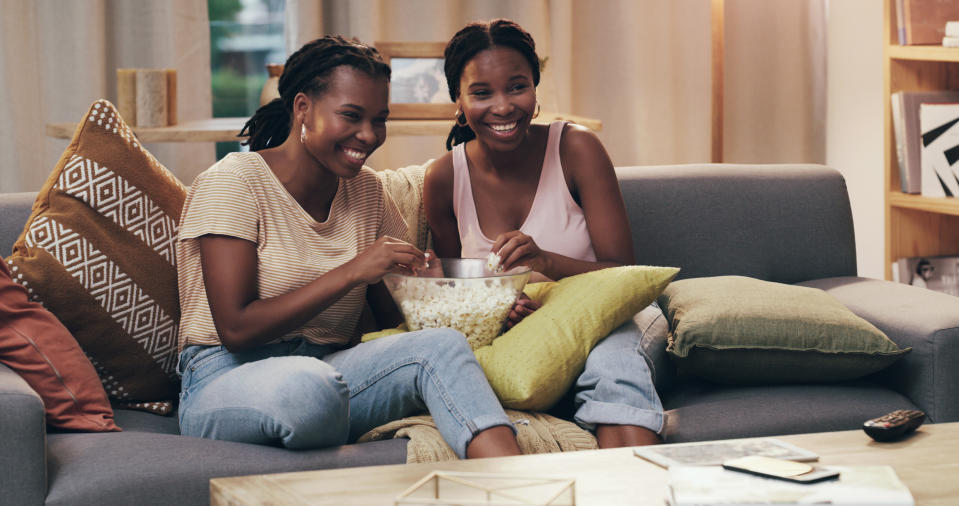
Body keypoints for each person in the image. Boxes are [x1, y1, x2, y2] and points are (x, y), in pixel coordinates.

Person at [175, 35, 521, 459]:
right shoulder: (234, 182)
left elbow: (397, 316)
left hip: (332, 371)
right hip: (225, 379)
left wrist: (463, 301)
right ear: (303, 107)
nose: (368, 135)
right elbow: (236, 329)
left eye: (379, 119)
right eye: (351, 116)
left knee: (442, 346)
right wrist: (354, 270)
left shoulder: (368, 192)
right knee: (309, 389)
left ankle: (517, 483)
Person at [424, 19, 664, 447]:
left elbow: (624, 273)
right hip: (528, 339)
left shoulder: (576, 149)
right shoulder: (444, 177)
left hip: (607, 321)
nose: (503, 107)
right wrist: (495, 305)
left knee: (614, 367)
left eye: (517, 87)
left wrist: (546, 263)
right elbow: (454, 290)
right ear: (458, 102)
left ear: (535, 90)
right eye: (482, 93)